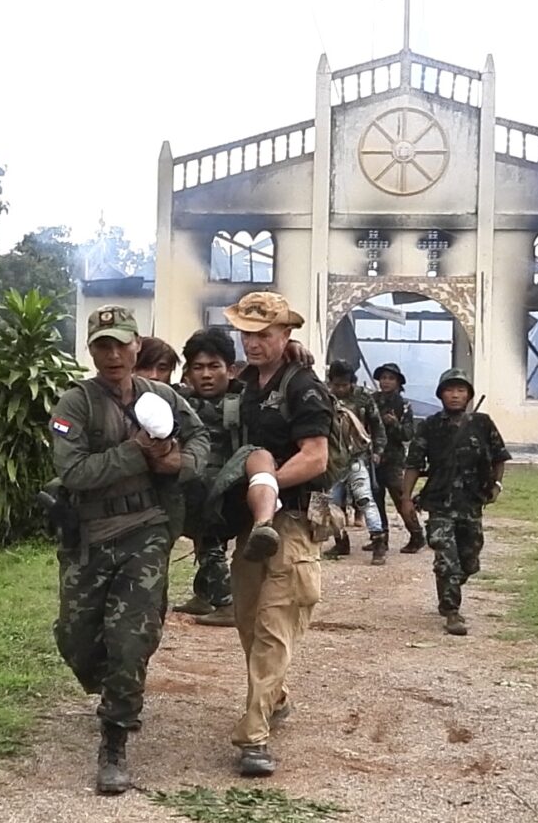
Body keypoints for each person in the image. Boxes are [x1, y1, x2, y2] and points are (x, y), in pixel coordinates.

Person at [49, 305, 208, 794]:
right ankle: (116, 684)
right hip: (90, 537)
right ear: (91, 350)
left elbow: (201, 437)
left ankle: (115, 737)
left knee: (129, 637)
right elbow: (74, 473)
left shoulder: (161, 397)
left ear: (138, 344)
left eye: (121, 343)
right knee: (76, 638)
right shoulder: (74, 405)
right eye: (102, 345)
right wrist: (135, 452)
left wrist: (178, 462)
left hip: (148, 530)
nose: (113, 354)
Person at [215, 291, 333, 777]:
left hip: (292, 523)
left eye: (265, 334)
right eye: (247, 333)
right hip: (251, 526)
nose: (254, 343)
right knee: (247, 621)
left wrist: (263, 483)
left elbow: (317, 456)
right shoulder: (243, 385)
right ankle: (276, 695)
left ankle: (254, 736)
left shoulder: (302, 385)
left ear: (286, 335)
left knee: (273, 627)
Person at [400, 368, 511, 637]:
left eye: (461, 390)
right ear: (440, 395)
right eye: (449, 390)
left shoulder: (483, 423)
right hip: (439, 503)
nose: (455, 395)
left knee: (469, 561)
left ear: (469, 395)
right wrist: (405, 498)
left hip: (471, 502)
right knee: (446, 557)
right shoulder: (429, 426)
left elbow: (499, 456)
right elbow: (414, 463)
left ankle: (451, 584)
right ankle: (451, 610)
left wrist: (496, 485)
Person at [171, 327, 242, 628]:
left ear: (231, 369)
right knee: (203, 541)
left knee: (209, 542)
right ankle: (202, 595)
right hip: (196, 484)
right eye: (198, 368)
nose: (206, 375)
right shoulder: (179, 399)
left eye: (214, 366)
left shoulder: (243, 399)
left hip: (227, 487)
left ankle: (226, 602)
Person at [323, 360, 389, 565]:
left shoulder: (364, 398)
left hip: (356, 457)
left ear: (352, 382)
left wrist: (378, 451)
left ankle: (378, 542)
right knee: (332, 503)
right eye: (336, 384)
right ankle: (341, 541)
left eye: (344, 384)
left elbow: (377, 427)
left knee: (364, 499)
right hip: (332, 459)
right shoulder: (325, 397)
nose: (340, 389)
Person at [371, 362, 426, 554]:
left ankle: (417, 535)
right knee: (375, 501)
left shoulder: (403, 405)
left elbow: (408, 434)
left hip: (393, 460)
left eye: (390, 378)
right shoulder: (371, 401)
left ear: (398, 382)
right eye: (383, 378)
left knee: (402, 499)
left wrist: (394, 425)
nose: (386, 382)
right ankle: (380, 538)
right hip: (373, 458)